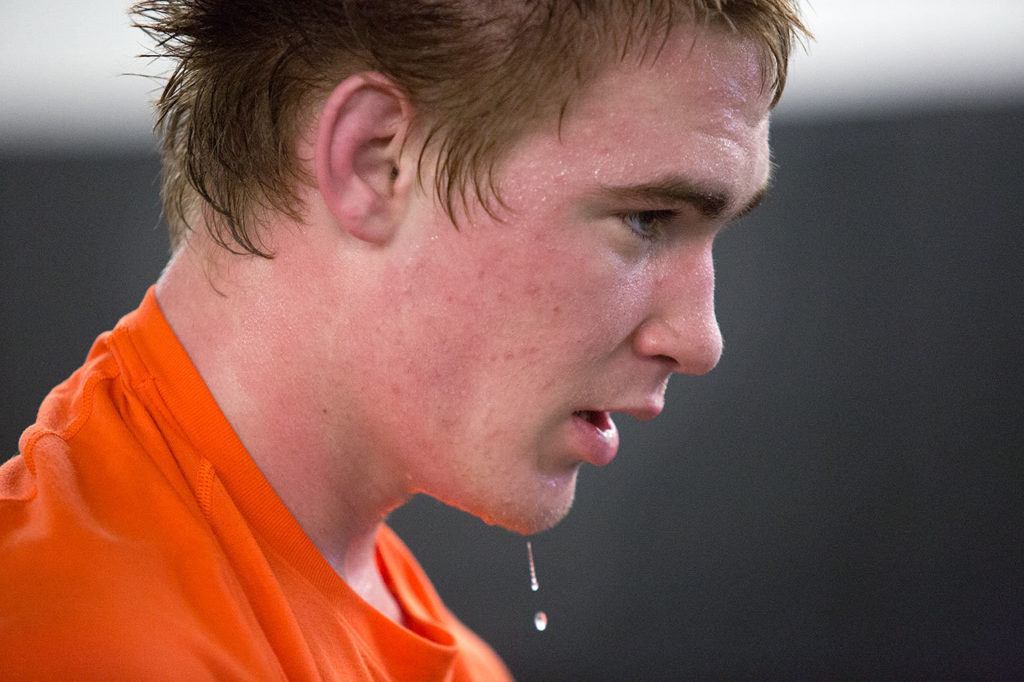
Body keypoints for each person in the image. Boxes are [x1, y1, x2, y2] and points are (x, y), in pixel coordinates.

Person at [1, 1, 808, 678]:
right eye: (646, 219)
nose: (701, 341)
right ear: (375, 162)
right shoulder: (56, 632)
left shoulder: (454, 659)